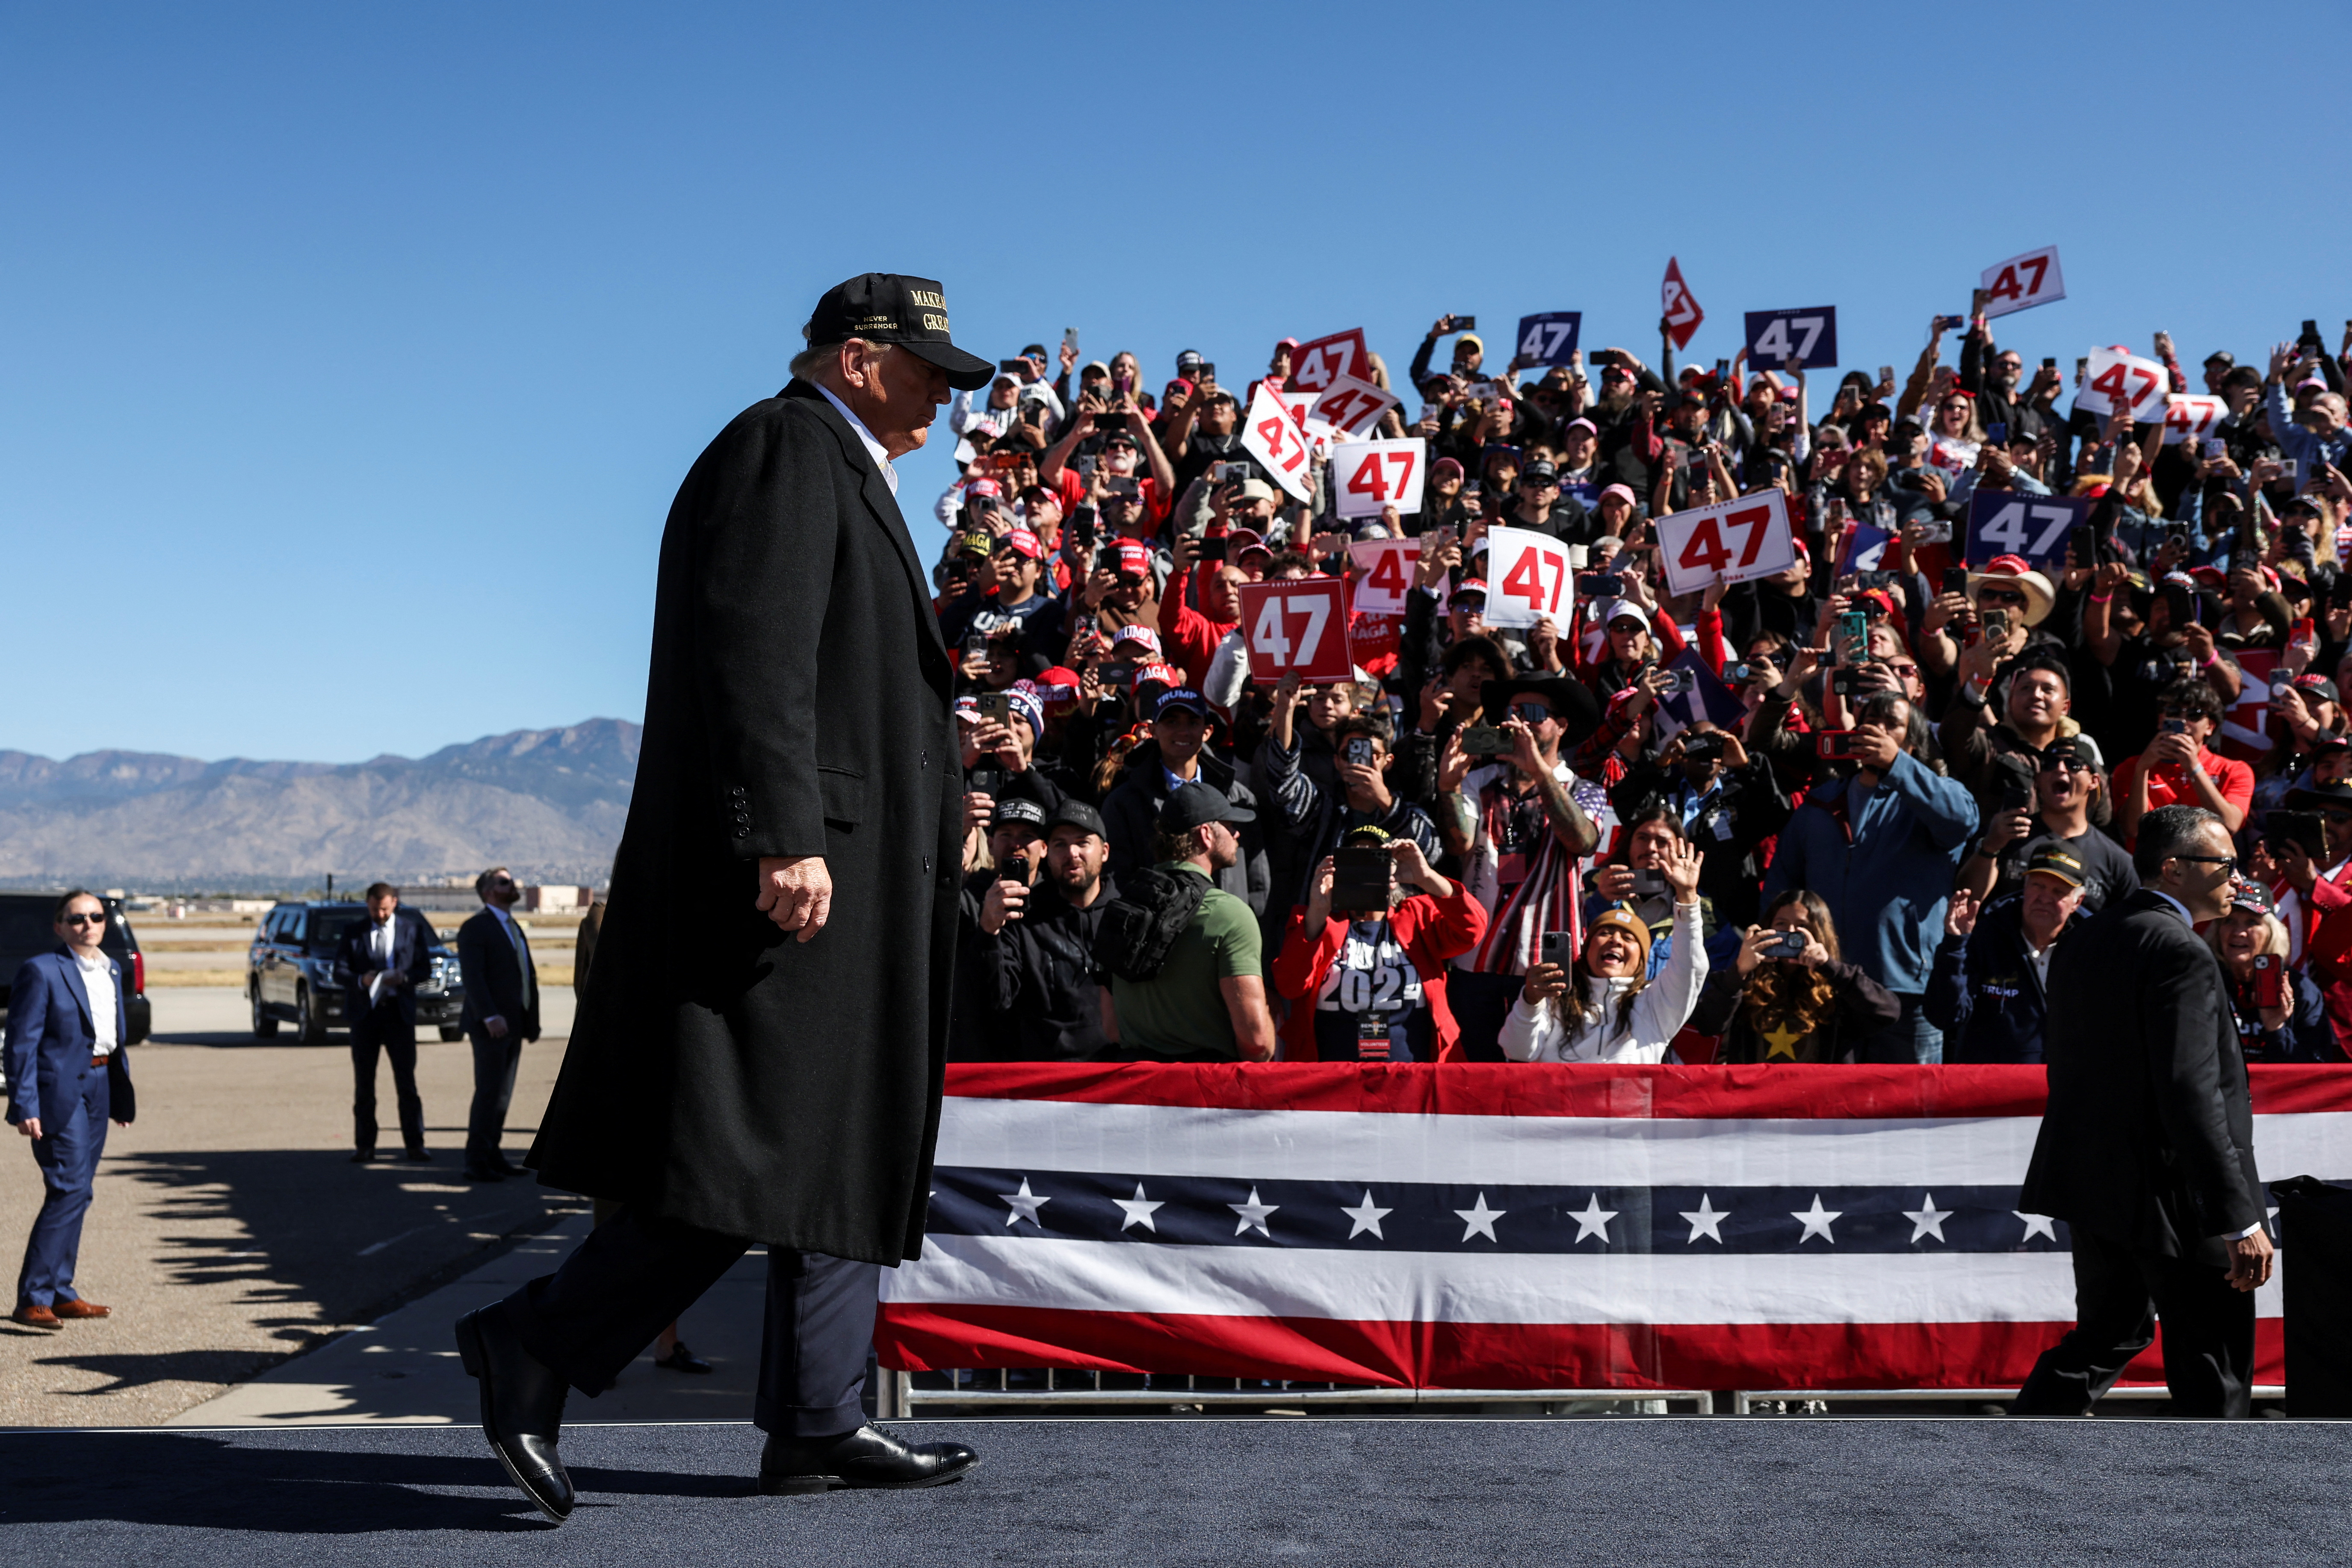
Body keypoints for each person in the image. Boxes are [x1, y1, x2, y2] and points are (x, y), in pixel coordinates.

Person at [456, 274, 986, 1519]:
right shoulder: (784, 448)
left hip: (857, 870)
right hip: (800, 875)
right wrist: (784, 836)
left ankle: (817, 1419)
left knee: (836, 1142)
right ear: (860, 358)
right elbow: (756, 647)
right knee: (748, 1152)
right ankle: (538, 1338)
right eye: (927, 374)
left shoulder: (846, 466)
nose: (941, 403)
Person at [2015, 805, 2274, 1419]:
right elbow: (2190, 1088)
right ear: (2174, 868)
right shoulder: (2179, 949)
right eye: (2225, 864)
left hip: (2097, 1185)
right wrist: (2236, 1218)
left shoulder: (2087, 939)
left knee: (2108, 1332)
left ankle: (2011, 1456)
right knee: (2212, 1358)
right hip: (2174, 1192)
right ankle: (2227, 1504)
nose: (2237, 879)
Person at [1761, 690, 1979, 1063]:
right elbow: (1782, 887)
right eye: (1870, 722)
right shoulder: (1819, 804)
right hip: (1824, 984)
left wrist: (1898, 765)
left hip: (1907, 991)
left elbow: (1963, 820)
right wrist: (1780, 955)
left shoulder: (1934, 799)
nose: (1877, 730)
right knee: (1830, 1110)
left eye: (1891, 724)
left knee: (1911, 1111)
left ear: (1912, 742)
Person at [6, 891, 134, 1330]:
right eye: (76, 919)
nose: (87, 925)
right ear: (59, 926)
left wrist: (118, 1096)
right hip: (58, 1093)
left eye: (96, 917)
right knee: (69, 1187)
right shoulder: (41, 971)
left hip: (98, 1087)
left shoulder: (111, 968)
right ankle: (33, 1298)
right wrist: (24, 1104)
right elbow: (20, 1044)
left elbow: (111, 1037)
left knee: (82, 1190)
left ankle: (61, 1292)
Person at [1270, 827, 1488, 1062]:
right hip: (1333, 1079)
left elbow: (1473, 930)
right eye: (1355, 860)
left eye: (1376, 861)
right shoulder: (1317, 923)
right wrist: (1317, 911)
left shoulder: (1417, 916)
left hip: (1414, 1075)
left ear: (1392, 875)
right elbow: (1290, 986)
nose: (1365, 870)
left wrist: (1426, 878)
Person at [1099, 783, 1277, 1063]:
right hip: (1205, 1094)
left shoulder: (1121, 908)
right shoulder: (1231, 914)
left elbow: (1112, 1028)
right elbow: (1257, 1043)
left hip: (1134, 1093)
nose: (1237, 833)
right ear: (1206, 834)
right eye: (1230, 825)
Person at [1498, 836, 1707, 1063]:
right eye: (1605, 934)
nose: (1615, 941)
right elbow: (1517, 1051)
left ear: (1642, 960)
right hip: (1558, 1099)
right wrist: (1531, 1001)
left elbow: (1691, 966)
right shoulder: (1555, 998)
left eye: (1629, 938)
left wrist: (1687, 897)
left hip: (1628, 1099)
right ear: (1587, 952)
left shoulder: (1656, 1006)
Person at [973, 800, 1117, 1061]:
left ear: (1105, 851)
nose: (1072, 853)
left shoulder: (1128, 917)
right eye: (1060, 844)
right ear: (1046, 854)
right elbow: (997, 1002)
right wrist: (988, 931)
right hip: (1044, 1084)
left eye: (1083, 842)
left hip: (1117, 1075)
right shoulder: (1022, 919)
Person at [1688, 888, 1898, 1064]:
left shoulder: (1838, 985)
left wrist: (1830, 967)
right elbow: (1708, 1025)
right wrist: (1739, 972)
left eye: (1802, 926)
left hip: (1819, 1101)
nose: (1790, 933)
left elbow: (1887, 1012)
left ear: (1819, 933)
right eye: (1781, 924)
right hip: (1757, 1099)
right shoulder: (1747, 982)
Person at [1925, 846, 2090, 1065]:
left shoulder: (2090, 947)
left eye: (2058, 892)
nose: (2045, 898)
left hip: (2062, 1088)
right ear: (2025, 888)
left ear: (2077, 903)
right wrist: (1954, 946)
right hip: (1990, 1088)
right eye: (2038, 886)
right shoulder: (1986, 935)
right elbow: (1945, 1016)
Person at [1954, 735, 2136, 912]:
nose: (2060, 769)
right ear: (2038, 780)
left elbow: (2127, 930)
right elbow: (1964, 904)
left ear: (2094, 781)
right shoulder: (2004, 836)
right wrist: (1990, 848)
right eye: (2050, 764)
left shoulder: (2117, 862)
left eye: (2073, 765)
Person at [335, 882, 434, 1164]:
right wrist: (360, 980)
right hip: (366, 1016)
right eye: (375, 909)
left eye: (385, 909)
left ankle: (415, 1144)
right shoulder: (354, 932)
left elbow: (424, 968)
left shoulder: (411, 929)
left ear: (395, 903)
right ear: (367, 904)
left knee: (407, 1083)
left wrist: (404, 977)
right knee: (364, 1084)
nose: (380, 914)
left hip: (398, 1015)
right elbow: (339, 971)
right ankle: (365, 1145)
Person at [456, 867, 541, 1184]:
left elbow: (524, 975)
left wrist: (530, 1022)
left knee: (503, 1095)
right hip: (491, 1026)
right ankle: (475, 1160)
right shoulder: (476, 928)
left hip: (514, 1024)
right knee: (489, 1093)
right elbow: (473, 977)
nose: (513, 885)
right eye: (505, 882)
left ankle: (493, 1154)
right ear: (489, 891)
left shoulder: (512, 926)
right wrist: (490, 1015)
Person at [2206, 878, 2333, 1063]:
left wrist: (2276, 1027)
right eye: (2229, 921)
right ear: (2217, 930)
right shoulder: (2204, 980)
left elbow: (2314, 1072)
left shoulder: (2301, 990)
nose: (2239, 932)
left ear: (2272, 932)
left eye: (2252, 922)